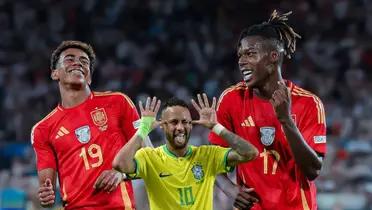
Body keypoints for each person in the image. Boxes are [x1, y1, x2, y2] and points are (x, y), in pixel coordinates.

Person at [209, 10, 327, 210]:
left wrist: (286, 121)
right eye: (240, 55)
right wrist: (229, 189)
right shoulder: (231, 99)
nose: (241, 61)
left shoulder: (308, 103)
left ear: (273, 57)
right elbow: (212, 159)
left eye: (250, 54)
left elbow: (313, 170)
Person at [31, 40, 147, 209]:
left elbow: (147, 156)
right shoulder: (42, 129)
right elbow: (46, 186)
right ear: (55, 73)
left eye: (84, 61)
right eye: (69, 59)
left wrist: (121, 174)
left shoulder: (118, 102)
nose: (77, 62)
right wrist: (46, 195)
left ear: (89, 77)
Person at [112, 94, 259, 210]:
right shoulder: (149, 157)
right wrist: (143, 130)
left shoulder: (207, 155)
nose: (180, 127)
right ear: (162, 126)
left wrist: (217, 127)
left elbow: (250, 153)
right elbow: (120, 164)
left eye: (186, 122)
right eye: (174, 122)